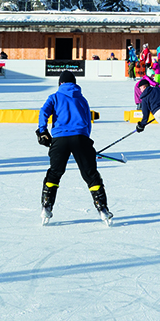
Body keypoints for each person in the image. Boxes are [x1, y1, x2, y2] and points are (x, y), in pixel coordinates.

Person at [36, 71, 112, 225]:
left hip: (60, 139)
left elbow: (44, 112)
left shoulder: (55, 97)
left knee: (54, 173)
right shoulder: (82, 99)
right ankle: (102, 209)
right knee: (91, 175)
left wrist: (42, 131)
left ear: (60, 83)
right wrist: (86, 142)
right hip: (80, 138)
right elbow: (88, 122)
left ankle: (46, 207)